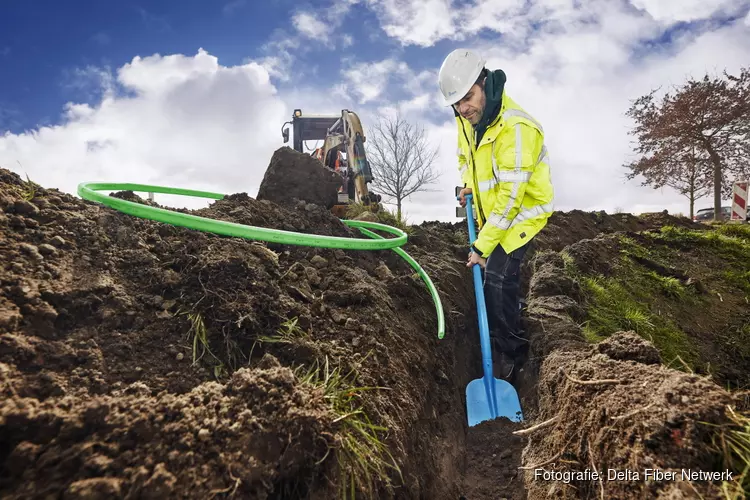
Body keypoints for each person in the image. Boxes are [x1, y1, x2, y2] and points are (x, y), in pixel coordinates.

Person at [438, 49, 554, 381]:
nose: (464, 108)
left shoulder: (517, 128)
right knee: (495, 278)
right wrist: (466, 186)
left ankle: (514, 355)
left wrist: (481, 248)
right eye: (457, 103)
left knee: (498, 279)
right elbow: (467, 158)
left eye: (469, 97)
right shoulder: (467, 118)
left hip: (523, 214)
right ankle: (503, 327)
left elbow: (511, 200)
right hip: (495, 212)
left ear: (485, 84)